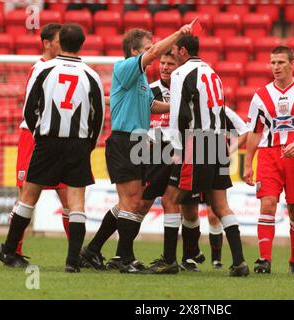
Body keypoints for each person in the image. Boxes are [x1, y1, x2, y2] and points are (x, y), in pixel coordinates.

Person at [79, 21, 197, 274]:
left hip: (138, 143)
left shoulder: (140, 79)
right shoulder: (125, 67)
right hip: (125, 141)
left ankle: (93, 250)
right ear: (135, 52)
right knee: (133, 202)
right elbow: (154, 54)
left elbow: (151, 107)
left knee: (129, 202)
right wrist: (178, 33)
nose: (152, 50)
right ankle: (124, 258)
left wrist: (181, 106)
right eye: (147, 46)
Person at [0, 24, 105, 273]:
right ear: (81, 43)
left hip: (47, 141)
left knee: (28, 197)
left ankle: (9, 248)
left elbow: (28, 109)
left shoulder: (44, 70)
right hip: (77, 143)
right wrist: (89, 143)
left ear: (60, 42)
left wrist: (40, 133)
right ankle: (72, 261)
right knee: (76, 202)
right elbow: (98, 115)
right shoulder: (92, 75)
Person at [164, 35, 250, 277]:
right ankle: (239, 262)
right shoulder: (213, 73)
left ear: (182, 51)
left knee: (171, 199)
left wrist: (177, 148)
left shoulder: (182, 73)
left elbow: (178, 114)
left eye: (173, 51)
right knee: (221, 205)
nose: (172, 56)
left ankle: (169, 260)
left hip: (197, 142)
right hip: (217, 142)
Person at [244, 46, 294, 274]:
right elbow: (255, 131)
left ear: (292, 64)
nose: (276, 67)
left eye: (280, 62)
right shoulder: (260, 95)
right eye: (272, 63)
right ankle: (264, 260)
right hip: (269, 155)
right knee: (267, 204)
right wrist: (248, 163)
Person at [10, 23, 70, 268]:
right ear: (47, 43)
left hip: (57, 141)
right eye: (58, 40)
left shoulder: (64, 67)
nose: (63, 45)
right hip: (34, 138)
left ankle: (77, 254)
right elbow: (29, 109)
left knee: (68, 195)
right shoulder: (40, 69)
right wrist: (41, 133)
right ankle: (13, 250)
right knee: (25, 196)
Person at [182, 106, 249, 270]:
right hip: (194, 154)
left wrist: (229, 150)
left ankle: (216, 260)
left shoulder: (222, 111)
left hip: (213, 153)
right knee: (188, 210)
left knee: (215, 212)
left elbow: (245, 131)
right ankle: (191, 255)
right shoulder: (187, 107)